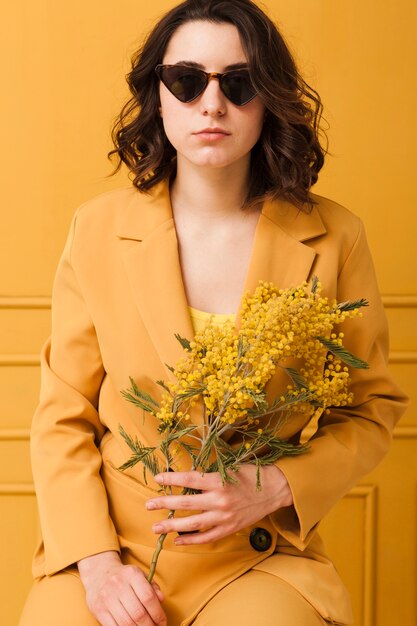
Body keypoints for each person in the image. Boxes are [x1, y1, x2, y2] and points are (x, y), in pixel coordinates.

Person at [19, 1, 408, 625]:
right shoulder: (96, 230)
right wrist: (96, 565)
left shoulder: (336, 236)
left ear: (269, 97)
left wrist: (273, 488)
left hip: (256, 553)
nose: (212, 104)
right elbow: (63, 416)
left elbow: (371, 409)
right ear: (159, 95)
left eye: (239, 82)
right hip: (113, 547)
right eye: (188, 80)